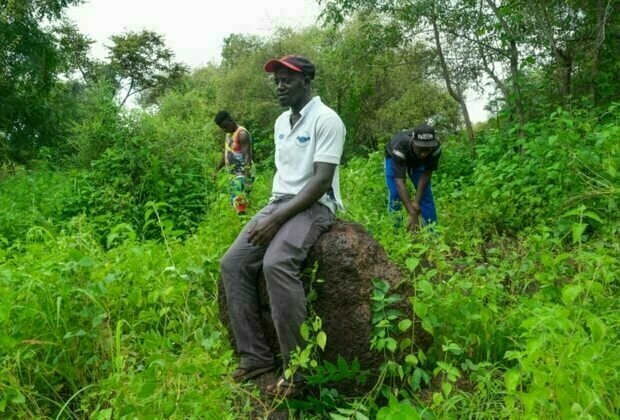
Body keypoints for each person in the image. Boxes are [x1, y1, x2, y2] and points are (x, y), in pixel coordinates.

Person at [219, 55, 346, 398]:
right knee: (232, 263)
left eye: (287, 79)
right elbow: (285, 179)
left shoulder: (327, 120)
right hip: (279, 202)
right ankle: (255, 356)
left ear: (306, 80)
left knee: (277, 264)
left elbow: (320, 182)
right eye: (276, 80)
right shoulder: (280, 123)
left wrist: (276, 220)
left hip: (315, 206)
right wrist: (273, 213)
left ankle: (298, 369)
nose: (279, 85)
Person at [384, 124, 441, 231]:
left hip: (417, 163)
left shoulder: (435, 149)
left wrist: (416, 202)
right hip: (393, 157)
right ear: (413, 143)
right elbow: (399, 182)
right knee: (395, 194)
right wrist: (412, 213)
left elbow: (427, 174)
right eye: (420, 149)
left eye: (427, 150)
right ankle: (396, 232)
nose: (424, 154)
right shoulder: (399, 147)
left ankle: (432, 234)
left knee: (425, 195)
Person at [214, 110, 254, 214]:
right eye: (221, 128)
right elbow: (226, 155)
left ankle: (244, 226)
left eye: (225, 126)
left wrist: (247, 179)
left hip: (241, 175)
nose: (224, 129)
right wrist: (216, 170)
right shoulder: (228, 134)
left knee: (240, 206)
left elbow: (247, 158)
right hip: (233, 175)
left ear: (230, 120)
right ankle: (242, 224)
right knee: (235, 204)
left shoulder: (241, 134)